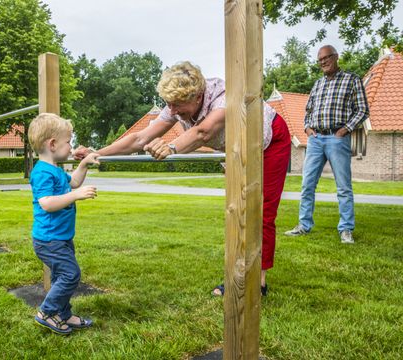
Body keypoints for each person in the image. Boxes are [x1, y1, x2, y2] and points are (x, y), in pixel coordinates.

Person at [74, 61, 291, 296]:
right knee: (237, 208)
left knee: (260, 210)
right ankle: (238, 273)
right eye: (169, 104)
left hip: (269, 142)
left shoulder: (223, 97)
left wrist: (172, 148)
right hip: (235, 146)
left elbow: (203, 132)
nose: (173, 111)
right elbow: (139, 139)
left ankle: (257, 283)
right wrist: (97, 153)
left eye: (178, 105)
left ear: (198, 96)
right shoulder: (175, 105)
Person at [284, 45, 370, 244]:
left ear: (336, 57)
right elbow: (308, 110)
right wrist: (307, 128)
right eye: (320, 59)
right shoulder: (317, 84)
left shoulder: (352, 80)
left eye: (326, 58)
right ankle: (304, 225)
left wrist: (345, 129)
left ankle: (346, 229)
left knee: (343, 187)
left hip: (337, 138)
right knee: (307, 185)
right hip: (315, 140)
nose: (323, 62)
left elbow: (363, 110)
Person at [28, 113, 99, 335]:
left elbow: (75, 181)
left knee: (62, 276)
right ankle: (47, 312)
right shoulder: (41, 173)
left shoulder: (56, 170)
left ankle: (64, 314)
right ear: (52, 144)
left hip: (61, 237)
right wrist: (76, 195)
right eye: (68, 141)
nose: (71, 146)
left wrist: (85, 164)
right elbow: (47, 203)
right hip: (49, 240)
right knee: (71, 274)